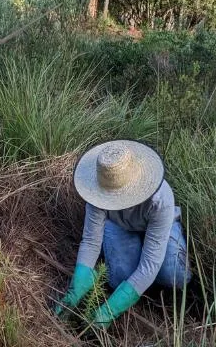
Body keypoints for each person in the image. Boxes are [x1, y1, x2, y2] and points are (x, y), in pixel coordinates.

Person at [54, 140, 190, 327]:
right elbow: (91, 241)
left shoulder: (160, 200)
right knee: (119, 277)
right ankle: (131, 279)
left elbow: (151, 263)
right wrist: (78, 282)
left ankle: (144, 281)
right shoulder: (98, 191)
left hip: (159, 227)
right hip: (119, 226)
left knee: (177, 275)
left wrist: (111, 309)